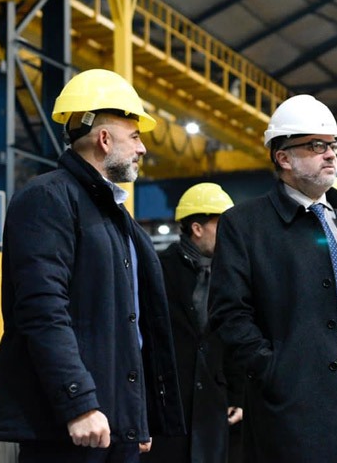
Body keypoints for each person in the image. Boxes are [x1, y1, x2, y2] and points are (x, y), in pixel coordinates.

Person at [0, 69, 184, 462]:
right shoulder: (48, 199)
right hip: (73, 427)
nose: (142, 149)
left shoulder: (117, 219)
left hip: (114, 425)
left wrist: (137, 415)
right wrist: (78, 402)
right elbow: (43, 310)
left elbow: (130, 326)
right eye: (135, 136)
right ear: (104, 138)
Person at [209, 94, 337, 462]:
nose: (330, 154)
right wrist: (276, 371)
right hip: (296, 408)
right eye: (316, 145)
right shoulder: (245, 225)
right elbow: (229, 316)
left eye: (333, 144)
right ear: (283, 157)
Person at [144, 183, 244, 463]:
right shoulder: (158, 270)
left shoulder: (231, 274)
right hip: (170, 409)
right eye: (221, 224)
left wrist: (239, 395)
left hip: (217, 407)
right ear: (197, 228)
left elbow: (235, 336)